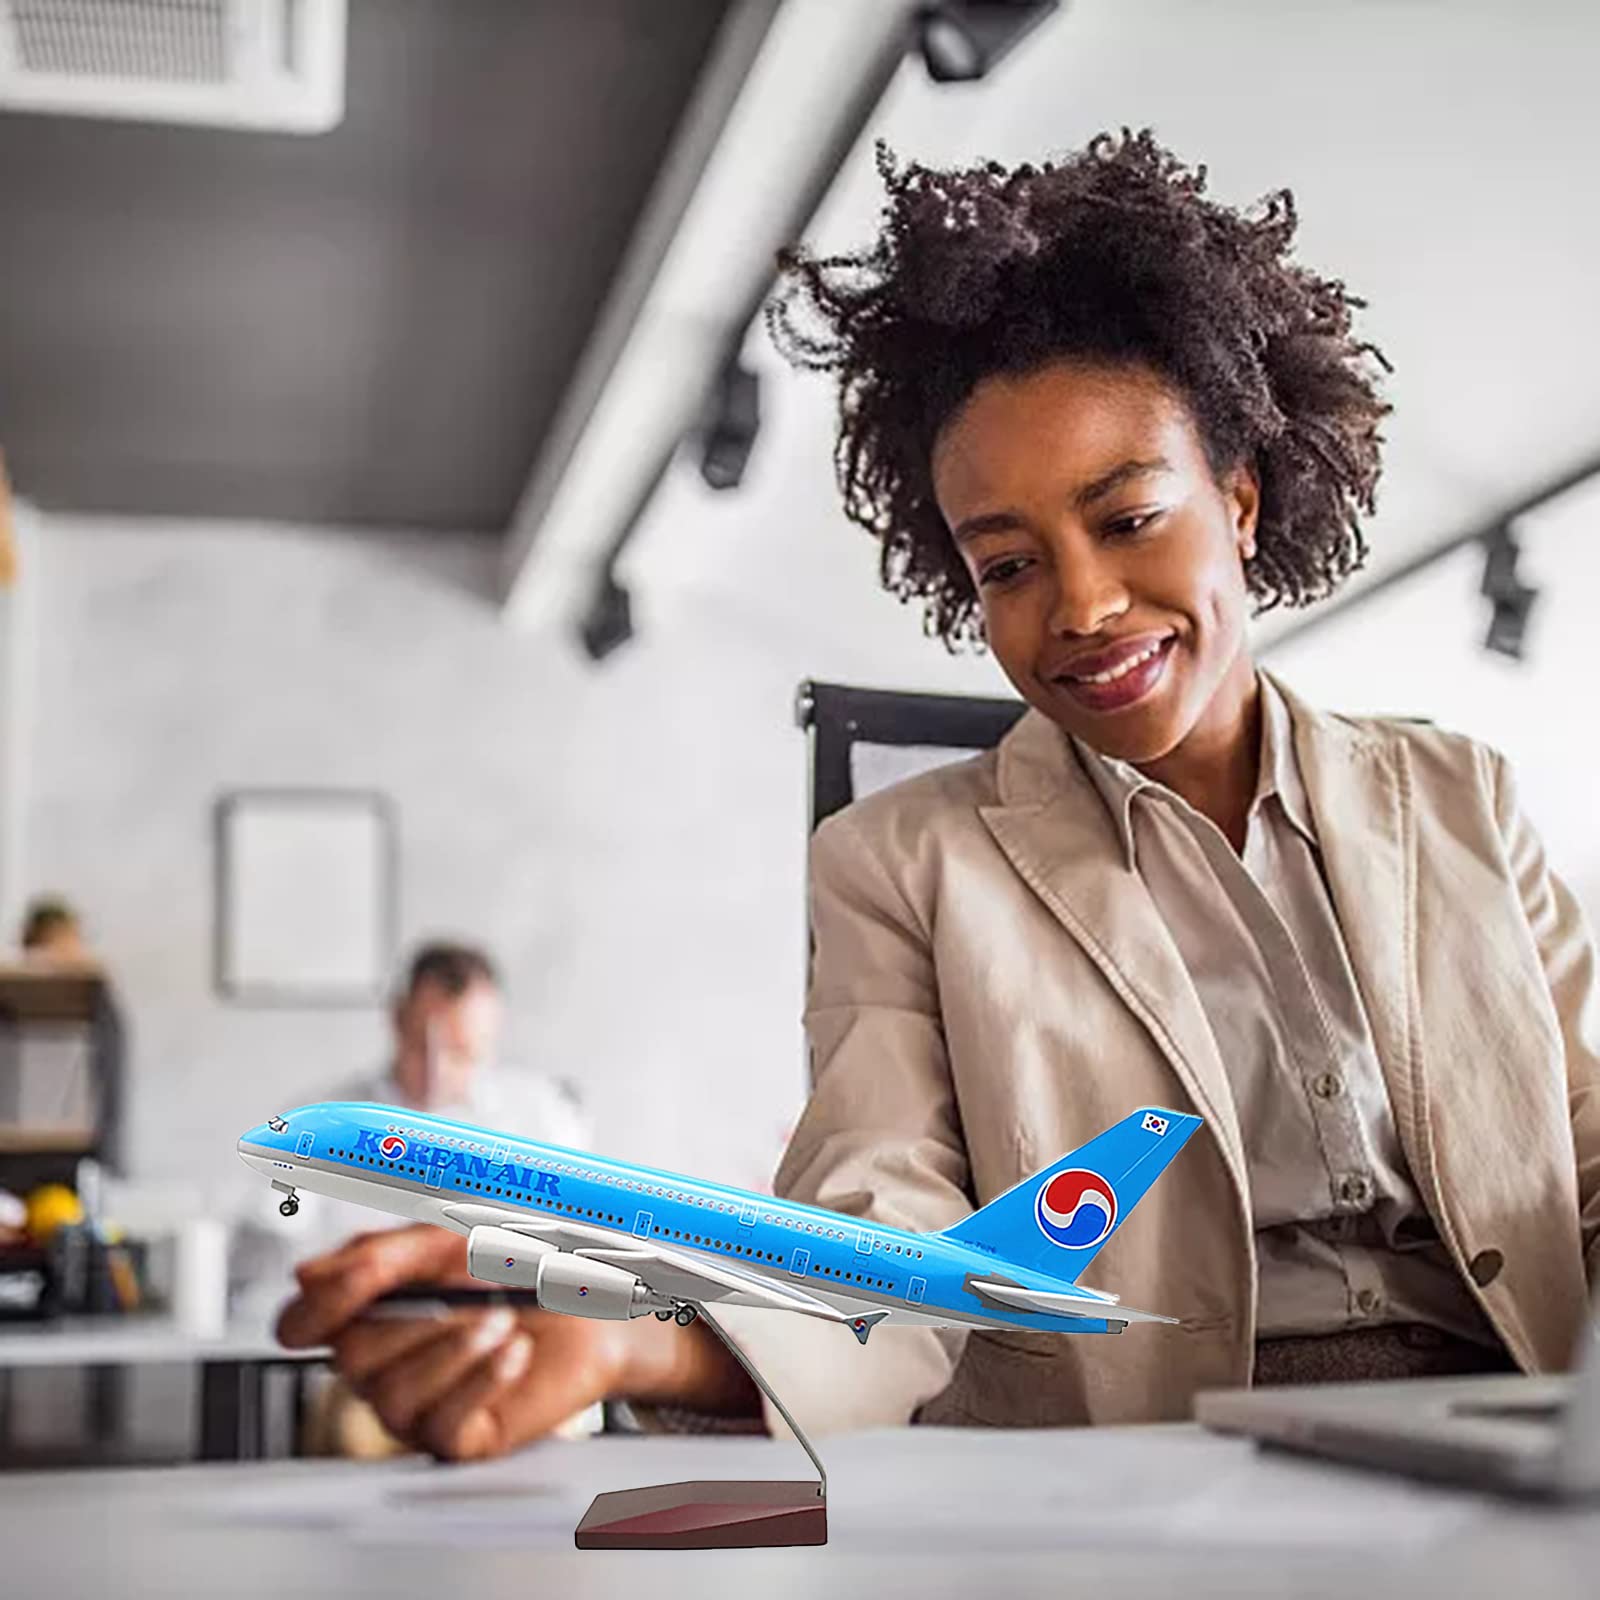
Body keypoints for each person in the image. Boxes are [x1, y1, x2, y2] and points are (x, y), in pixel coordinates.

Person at [278, 130, 1600, 1458]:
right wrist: (638, 1327)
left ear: (1240, 500)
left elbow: (1584, 1161)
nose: (1080, 604)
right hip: (1166, 1481)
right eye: (1009, 566)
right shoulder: (902, 863)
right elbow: (881, 1227)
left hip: (1522, 1445)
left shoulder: (1456, 798)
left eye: (1129, 517)